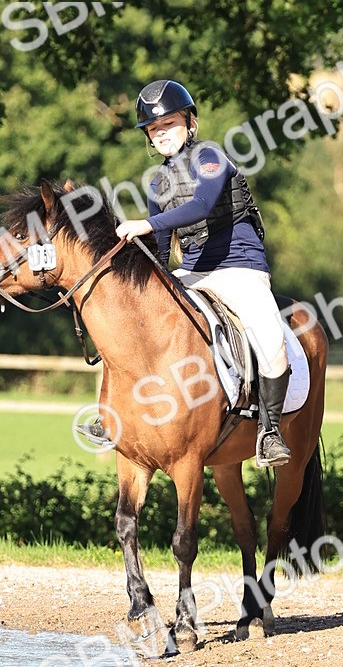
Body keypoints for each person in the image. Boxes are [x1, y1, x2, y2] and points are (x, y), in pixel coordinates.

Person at [115, 78, 292, 468]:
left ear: (190, 123)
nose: (161, 134)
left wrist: (145, 224)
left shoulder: (209, 157)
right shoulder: (158, 181)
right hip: (192, 271)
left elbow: (200, 205)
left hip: (240, 267)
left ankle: (270, 431)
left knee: (271, 340)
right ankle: (120, 415)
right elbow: (163, 246)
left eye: (169, 125)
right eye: (154, 129)